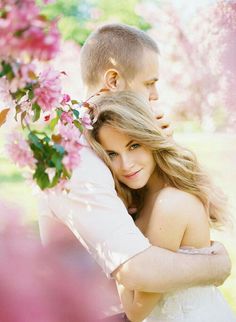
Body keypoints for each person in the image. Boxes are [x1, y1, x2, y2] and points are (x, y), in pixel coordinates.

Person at [38, 23, 231, 321]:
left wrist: (159, 147)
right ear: (113, 79)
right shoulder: (75, 156)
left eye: (135, 145)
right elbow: (136, 269)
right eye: (149, 83)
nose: (154, 95)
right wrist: (217, 265)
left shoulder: (99, 136)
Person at [87, 90, 236, 322]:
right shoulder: (144, 198)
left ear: (151, 139)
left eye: (134, 145)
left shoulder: (171, 204)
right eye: (112, 154)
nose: (126, 165)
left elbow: (136, 311)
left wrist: (111, 233)